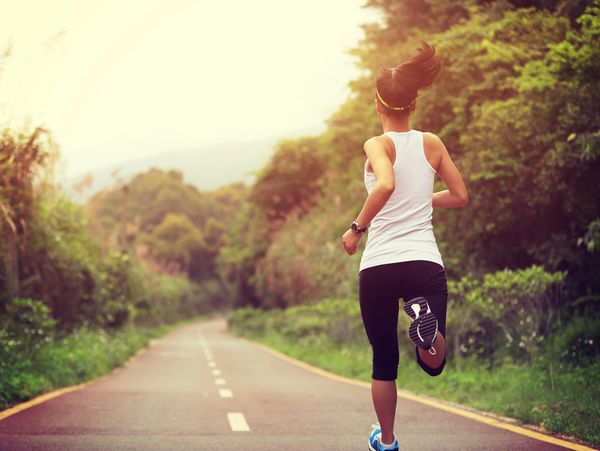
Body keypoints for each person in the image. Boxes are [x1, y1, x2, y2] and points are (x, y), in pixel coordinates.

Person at [341, 42, 468, 451]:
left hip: (379, 264)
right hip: (423, 261)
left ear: (378, 107)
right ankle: (426, 330)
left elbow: (386, 184)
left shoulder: (377, 145)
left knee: (384, 362)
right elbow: (460, 195)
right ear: (413, 104)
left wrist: (356, 228)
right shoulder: (432, 143)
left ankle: (389, 441)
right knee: (432, 364)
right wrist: (423, 200)